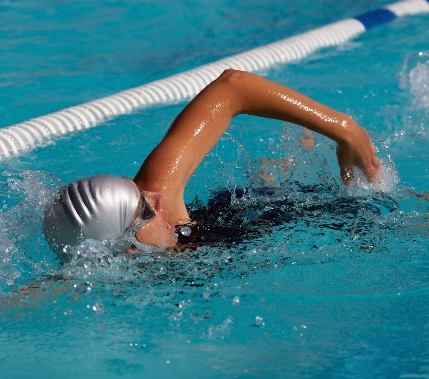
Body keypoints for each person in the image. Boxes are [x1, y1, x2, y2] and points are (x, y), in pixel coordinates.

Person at [43, 69, 381, 253]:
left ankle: (278, 167)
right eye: (145, 209)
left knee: (379, 210)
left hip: (251, 215)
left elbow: (232, 87)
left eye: (137, 191)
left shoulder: (156, 193)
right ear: (120, 250)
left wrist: (344, 128)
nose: (158, 197)